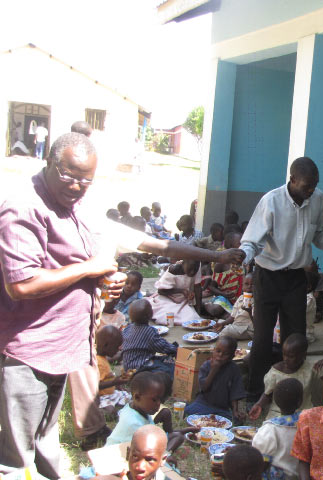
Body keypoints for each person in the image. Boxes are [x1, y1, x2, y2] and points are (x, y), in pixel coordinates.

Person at [0, 132, 245, 477]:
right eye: (69, 176)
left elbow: (153, 245)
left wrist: (215, 256)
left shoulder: (77, 207)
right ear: (49, 162)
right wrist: (90, 269)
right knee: (17, 456)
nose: (78, 187)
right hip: (30, 350)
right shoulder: (24, 207)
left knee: (45, 440)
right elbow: (21, 284)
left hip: (62, 346)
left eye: (86, 180)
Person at [240, 157, 323, 396]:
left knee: (295, 338)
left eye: (315, 185)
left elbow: (319, 234)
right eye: (307, 186)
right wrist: (242, 255)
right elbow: (252, 241)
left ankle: (292, 392)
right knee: (262, 337)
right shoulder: (271, 201)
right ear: (293, 180)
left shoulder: (318, 199)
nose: (311, 191)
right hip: (267, 276)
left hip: (296, 278)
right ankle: (257, 392)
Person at [105, 372, 193, 451]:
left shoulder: (137, 409)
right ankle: (165, 456)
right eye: (154, 400)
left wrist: (182, 431)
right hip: (118, 455)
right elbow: (138, 452)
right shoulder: (133, 423)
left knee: (178, 437)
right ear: (137, 397)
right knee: (175, 439)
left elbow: (154, 432)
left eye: (160, 400)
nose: (158, 404)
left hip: (139, 445)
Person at [248, 334, 318, 420]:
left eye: (291, 356)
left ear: (303, 355)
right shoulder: (276, 373)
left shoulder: (310, 369)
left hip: (304, 412)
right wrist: (259, 404)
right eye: (284, 354)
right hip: (279, 413)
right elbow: (267, 393)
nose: (286, 359)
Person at [252, 378, 304, 480]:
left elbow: (261, 459)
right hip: (298, 475)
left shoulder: (271, 429)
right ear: (300, 401)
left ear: (275, 401)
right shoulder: (306, 424)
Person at [183, 337, 246, 420]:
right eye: (218, 351)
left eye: (225, 354)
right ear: (213, 351)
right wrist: (213, 370)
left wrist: (235, 411)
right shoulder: (206, 366)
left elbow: (235, 392)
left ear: (232, 356)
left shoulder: (234, 369)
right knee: (189, 412)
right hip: (203, 403)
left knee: (233, 419)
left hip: (222, 407)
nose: (220, 355)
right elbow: (204, 388)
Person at [122, 299, 178, 376]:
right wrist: (176, 349)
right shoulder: (149, 331)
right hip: (141, 367)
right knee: (169, 366)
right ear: (150, 315)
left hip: (127, 367)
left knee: (161, 359)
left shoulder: (127, 328)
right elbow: (163, 347)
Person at [148, 260, 203, 326]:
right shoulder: (173, 269)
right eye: (190, 269)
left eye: (195, 269)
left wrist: (198, 311)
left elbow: (197, 287)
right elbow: (161, 291)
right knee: (167, 314)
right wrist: (181, 291)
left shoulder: (197, 266)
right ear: (183, 264)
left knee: (192, 317)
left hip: (182, 301)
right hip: (167, 298)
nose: (192, 272)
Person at [96, 326, 131, 413]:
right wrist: (114, 382)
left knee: (130, 396)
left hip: (111, 393)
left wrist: (118, 386)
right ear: (106, 345)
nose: (118, 349)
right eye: (116, 347)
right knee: (110, 410)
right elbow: (96, 386)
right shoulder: (98, 362)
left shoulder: (103, 357)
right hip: (102, 396)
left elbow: (108, 377)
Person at [214, 273, 254, 340]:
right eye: (246, 284)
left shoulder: (258, 301)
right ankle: (221, 330)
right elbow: (232, 316)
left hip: (248, 330)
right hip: (236, 325)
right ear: (242, 286)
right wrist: (222, 324)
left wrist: (250, 311)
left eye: (253, 285)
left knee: (227, 331)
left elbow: (258, 323)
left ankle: (218, 335)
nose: (249, 287)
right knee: (219, 321)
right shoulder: (241, 298)